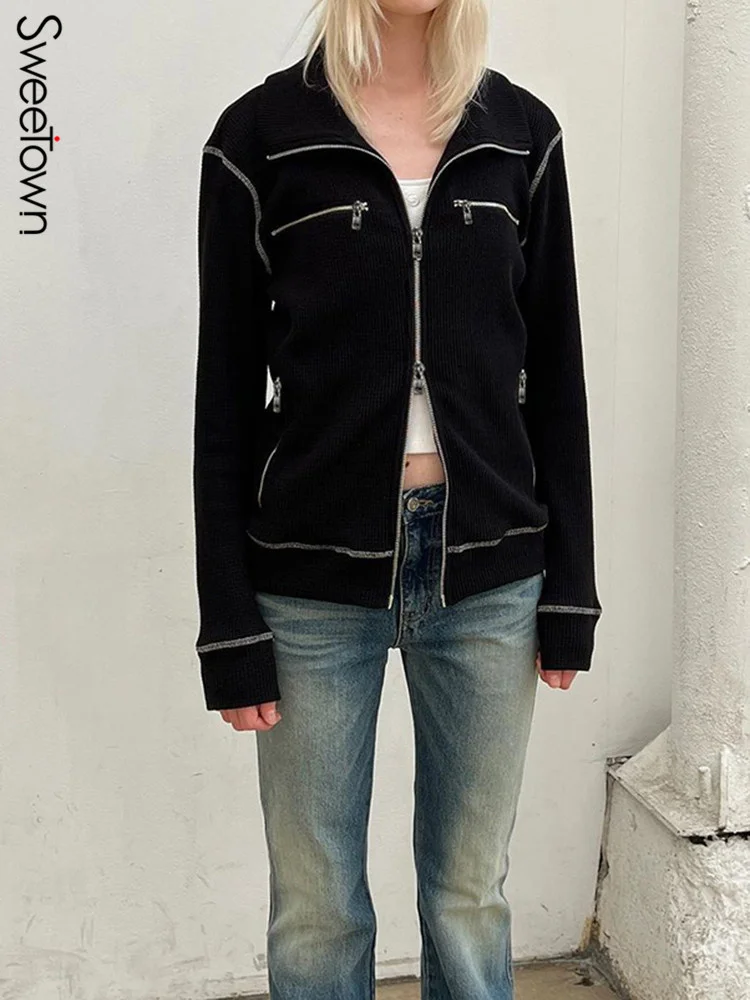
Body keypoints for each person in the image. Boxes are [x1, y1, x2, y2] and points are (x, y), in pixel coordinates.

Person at [193, 0, 602, 995]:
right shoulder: (260, 137)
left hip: (491, 572)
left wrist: (571, 590)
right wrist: (228, 622)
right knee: (317, 903)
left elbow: (557, 374)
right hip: (310, 577)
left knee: (469, 895)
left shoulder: (520, 134)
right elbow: (224, 395)